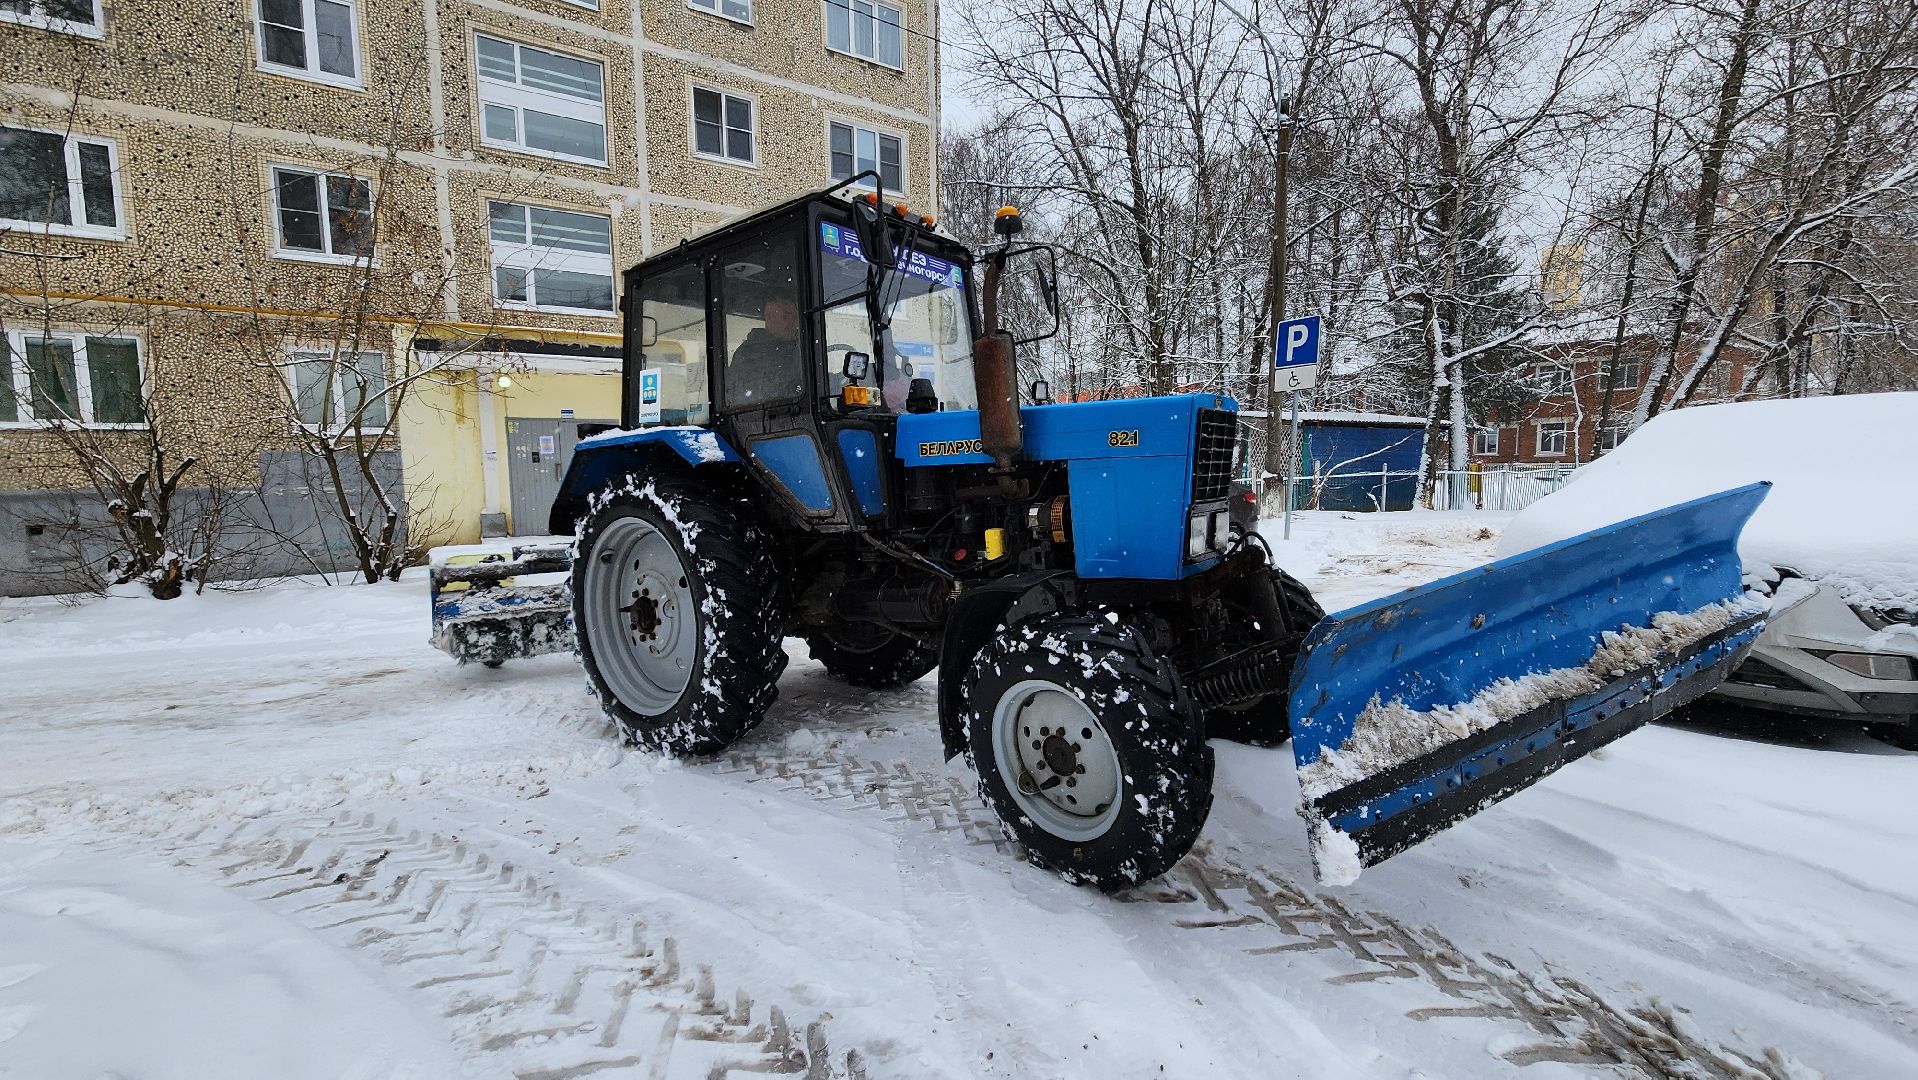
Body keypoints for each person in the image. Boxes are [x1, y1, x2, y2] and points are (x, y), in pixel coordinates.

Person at [728, 295, 802, 406]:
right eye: (786, 316)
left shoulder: (797, 347)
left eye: (796, 318)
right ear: (769, 317)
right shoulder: (751, 354)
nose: (794, 323)